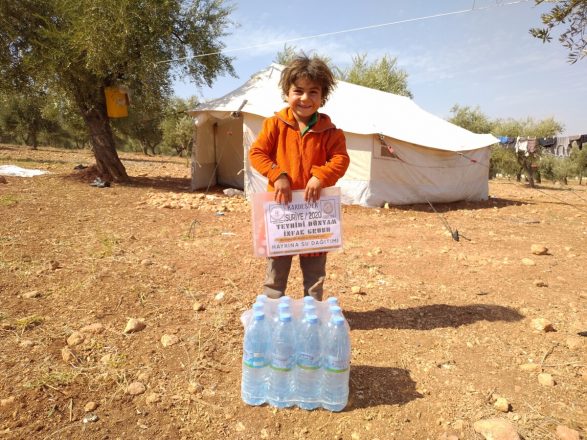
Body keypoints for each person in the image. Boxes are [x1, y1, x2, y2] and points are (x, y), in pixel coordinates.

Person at [249, 54, 350, 301]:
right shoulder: (274, 125)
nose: (305, 98)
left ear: (322, 97)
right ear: (287, 93)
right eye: (298, 91)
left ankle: (312, 312)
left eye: (313, 92)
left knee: (315, 274)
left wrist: (320, 177)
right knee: (276, 270)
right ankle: (272, 311)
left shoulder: (331, 132)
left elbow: (341, 160)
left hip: (314, 215)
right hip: (281, 213)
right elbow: (257, 152)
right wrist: (277, 174)